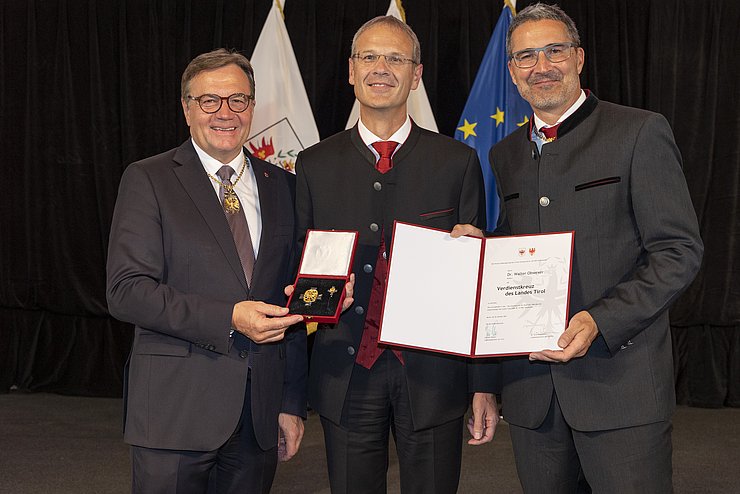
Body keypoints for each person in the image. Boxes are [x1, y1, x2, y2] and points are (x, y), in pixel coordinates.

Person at [458, 3, 703, 492]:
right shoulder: (504, 153)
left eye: (554, 51)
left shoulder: (638, 132)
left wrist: (599, 321)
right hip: (533, 398)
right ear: (512, 71)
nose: (541, 66)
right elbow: (515, 251)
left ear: (579, 57)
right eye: (526, 56)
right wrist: (481, 252)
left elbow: (678, 251)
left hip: (621, 390)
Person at [106, 49, 353, 493]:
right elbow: (127, 291)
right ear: (186, 108)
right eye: (209, 101)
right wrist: (229, 317)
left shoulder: (284, 186)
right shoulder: (149, 179)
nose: (225, 113)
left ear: (253, 108)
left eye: (238, 100)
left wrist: (290, 402)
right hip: (173, 413)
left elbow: (288, 303)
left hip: (257, 416)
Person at [294, 16, 498, 494]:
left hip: (432, 379)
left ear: (417, 73)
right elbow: (297, 267)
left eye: (395, 59)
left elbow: (478, 285)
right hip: (344, 374)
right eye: (369, 57)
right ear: (350, 70)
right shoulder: (314, 164)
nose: (380, 68)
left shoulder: (457, 162)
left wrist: (483, 383)